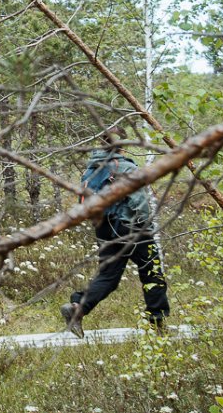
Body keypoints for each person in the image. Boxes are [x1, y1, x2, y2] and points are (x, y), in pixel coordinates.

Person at [61, 136, 170, 336]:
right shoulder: (125, 167)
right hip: (130, 226)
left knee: (108, 276)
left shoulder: (91, 170)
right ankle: (158, 324)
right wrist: (145, 225)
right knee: (152, 271)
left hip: (103, 228)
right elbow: (138, 201)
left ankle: (78, 308)